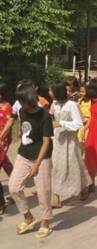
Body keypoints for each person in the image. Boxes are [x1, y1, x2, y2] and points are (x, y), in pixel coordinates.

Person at [8, 84, 53, 238]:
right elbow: (24, 129)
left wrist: (37, 164)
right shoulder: (22, 111)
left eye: (21, 101)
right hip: (24, 153)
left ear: (29, 100)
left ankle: (45, 222)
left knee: (43, 192)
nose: (19, 105)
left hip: (41, 156)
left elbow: (46, 141)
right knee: (14, 187)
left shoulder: (45, 116)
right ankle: (28, 217)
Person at [49, 80, 90, 207]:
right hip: (57, 140)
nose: (49, 92)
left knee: (74, 165)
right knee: (56, 167)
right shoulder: (54, 104)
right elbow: (51, 119)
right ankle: (56, 196)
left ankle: (84, 187)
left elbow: (78, 124)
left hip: (70, 140)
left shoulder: (71, 104)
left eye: (51, 90)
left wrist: (61, 123)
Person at [0, 83, 13, 215]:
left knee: (2, 160)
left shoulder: (8, 106)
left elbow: (10, 123)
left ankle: (1, 203)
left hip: (3, 140)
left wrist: (2, 136)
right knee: (5, 163)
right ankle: (16, 185)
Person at [78, 84, 91, 150]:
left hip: (89, 126)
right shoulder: (79, 101)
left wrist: (86, 127)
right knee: (80, 143)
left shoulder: (91, 102)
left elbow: (92, 116)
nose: (81, 93)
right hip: (81, 125)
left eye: (83, 91)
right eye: (80, 91)